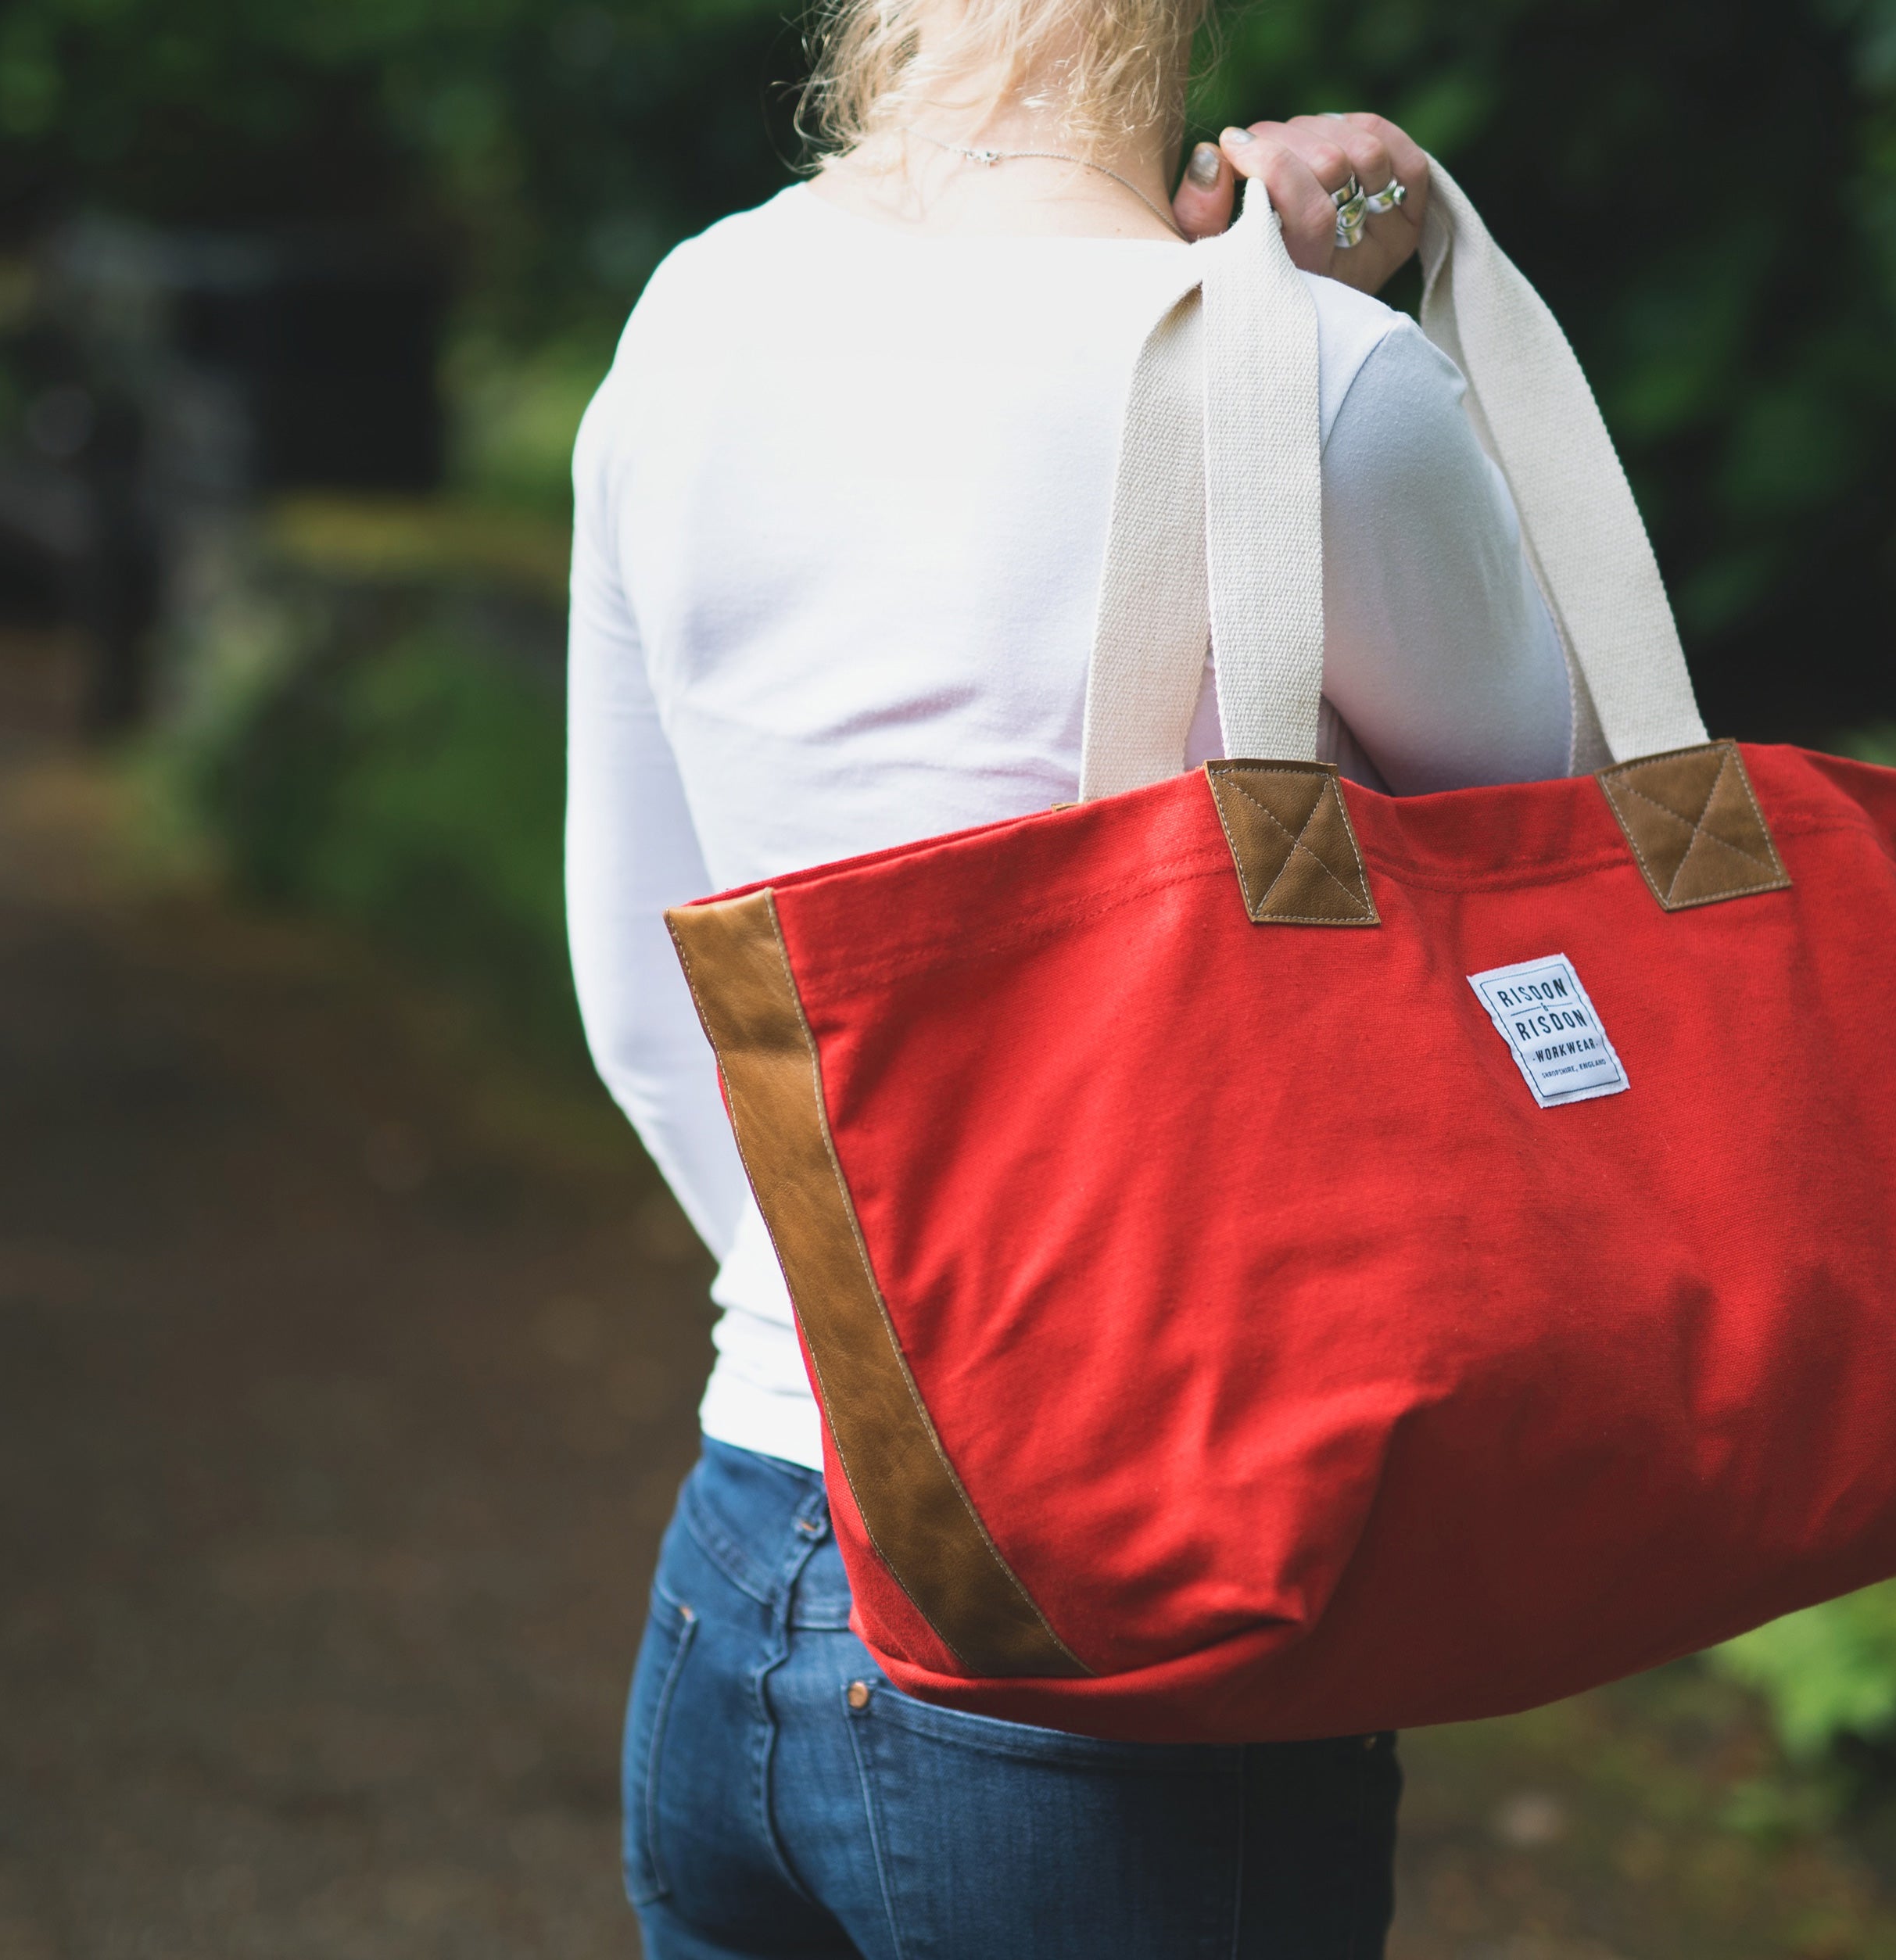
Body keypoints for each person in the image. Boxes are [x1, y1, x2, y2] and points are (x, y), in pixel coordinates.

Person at [563, 2, 1580, 1951]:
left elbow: (645, 992)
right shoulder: (1320, 384)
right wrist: (1396, 297)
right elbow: (1566, 888)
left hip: (745, 1562)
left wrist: (873, 1353)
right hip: (1132, 1644)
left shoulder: (692, 320)